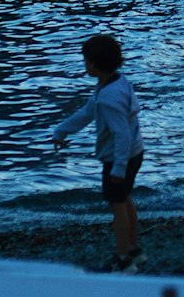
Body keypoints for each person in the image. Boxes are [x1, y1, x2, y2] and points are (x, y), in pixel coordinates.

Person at [52, 34, 145, 273]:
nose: (84, 64)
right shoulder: (116, 83)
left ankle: (122, 258)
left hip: (119, 157)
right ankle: (134, 249)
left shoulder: (108, 98)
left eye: (86, 60)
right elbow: (87, 112)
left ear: (94, 64)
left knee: (117, 206)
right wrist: (62, 131)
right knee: (125, 200)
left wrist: (118, 168)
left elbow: (120, 134)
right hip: (135, 152)